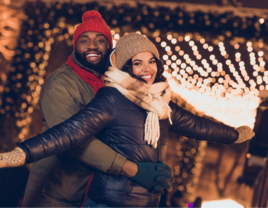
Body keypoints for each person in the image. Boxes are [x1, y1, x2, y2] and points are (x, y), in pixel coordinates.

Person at [0, 33, 254, 208]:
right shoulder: (112, 98)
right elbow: (70, 132)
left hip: (145, 202)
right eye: (137, 63)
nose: (147, 69)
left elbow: (196, 125)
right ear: (125, 67)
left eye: (151, 61)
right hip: (108, 202)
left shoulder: (160, 101)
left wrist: (234, 135)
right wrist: (22, 153)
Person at [20, 11, 172, 208]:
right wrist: (134, 170)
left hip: (98, 195)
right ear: (75, 46)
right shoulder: (60, 84)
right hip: (58, 194)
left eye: (100, 40)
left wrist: (155, 164)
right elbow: (73, 140)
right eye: (84, 40)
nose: (92, 46)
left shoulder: (116, 83)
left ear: (110, 47)